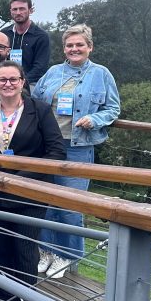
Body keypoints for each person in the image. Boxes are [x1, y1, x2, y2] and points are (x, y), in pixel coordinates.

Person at [32, 24, 120, 278]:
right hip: (47, 146)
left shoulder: (101, 74)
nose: (74, 49)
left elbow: (113, 108)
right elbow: (35, 101)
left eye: (79, 44)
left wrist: (95, 119)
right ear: (64, 49)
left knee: (70, 206)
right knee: (46, 201)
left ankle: (65, 256)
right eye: (69, 45)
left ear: (89, 47)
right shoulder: (53, 72)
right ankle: (46, 251)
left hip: (78, 147)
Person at [0, 61, 65, 301]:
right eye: (2, 80)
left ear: (22, 82)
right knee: (0, 248)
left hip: (30, 191)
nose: (7, 84)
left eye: (13, 79)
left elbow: (56, 151)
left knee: (25, 249)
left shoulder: (39, 110)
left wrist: (21, 178)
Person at [2, 0, 51, 86]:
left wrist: (20, 82)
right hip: (5, 82)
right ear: (11, 11)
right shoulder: (4, 34)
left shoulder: (41, 36)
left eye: (22, 9)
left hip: (31, 83)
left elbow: (40, 68)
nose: (18, 12)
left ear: (30, 10)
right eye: (15, 9)